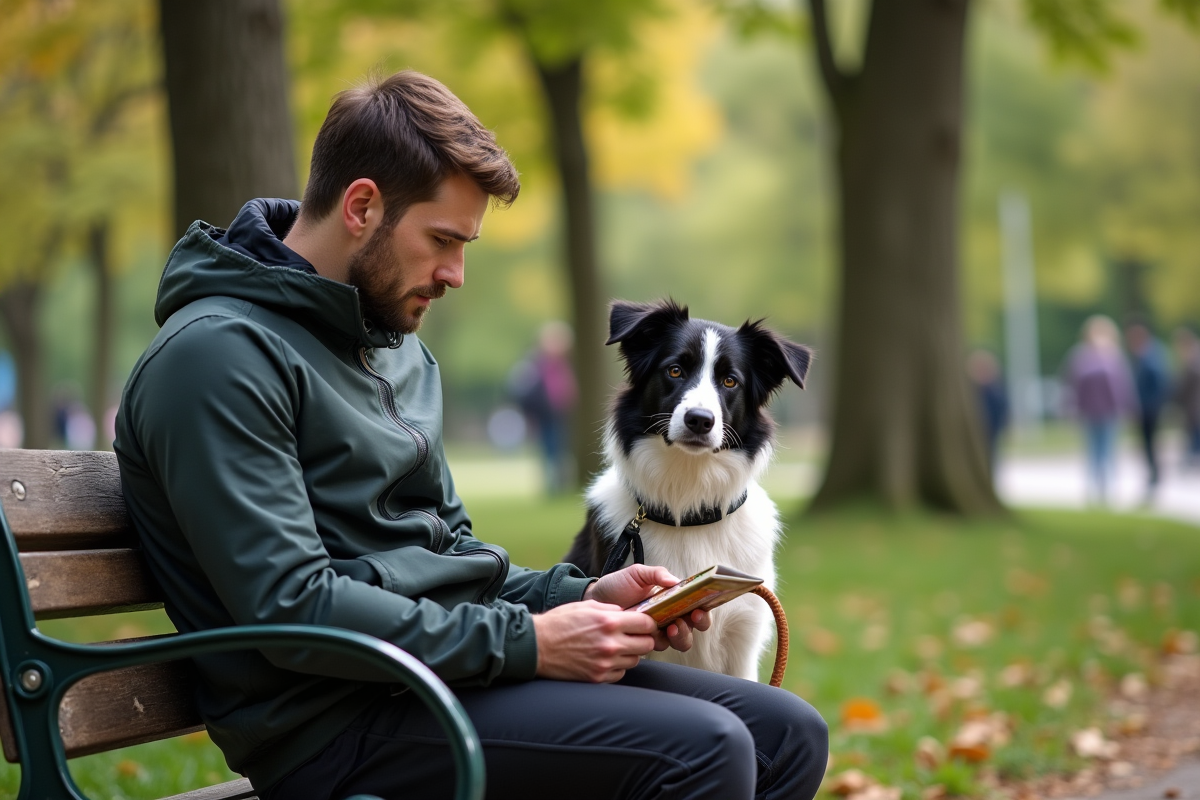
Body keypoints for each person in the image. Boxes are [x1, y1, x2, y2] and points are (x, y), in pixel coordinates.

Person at [114, 70, 827, 800]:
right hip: (333, 723)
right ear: (362, 206)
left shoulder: (393, 348)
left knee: (788, 734)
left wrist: (580, 593)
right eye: (442, 240)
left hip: (442, 677)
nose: (455, 274)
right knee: (704, 751)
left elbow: (457, 558)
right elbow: (292, 608)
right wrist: (530, 643)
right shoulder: (216, 359)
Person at [1064, 315, 1137, 505]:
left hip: (1110, 413)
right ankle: (1093, 491)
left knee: (1108, 451)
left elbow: (1123, 387)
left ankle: (1109, 491)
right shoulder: (1081, 356)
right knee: (1093, 452)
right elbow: (1072, 384)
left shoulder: (1114, 356)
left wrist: (1127, 408)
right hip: (1089, 412)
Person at [509, 320, 578, 493]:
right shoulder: (537, 364)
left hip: (560, 413)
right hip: (545, 414)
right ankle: (553, 485)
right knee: (550, 450)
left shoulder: (561, 364)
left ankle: (558, 483)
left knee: (559, 449)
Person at [1124, 322, 1171, 499]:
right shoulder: (1147, 354)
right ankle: (1152, 475)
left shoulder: (1150, 355)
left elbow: (1159, 382)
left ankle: (1154, 477)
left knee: (1150, 443)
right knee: (1147, 444)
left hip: (1150, 408)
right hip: (1146, 407)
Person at [966, 349, 1007, 477]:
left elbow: (1001, 410)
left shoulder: (994, 390)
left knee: (990, 459)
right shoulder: (970, 390)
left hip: (990, 431)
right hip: (974, 432)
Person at [1174, 327, 1200, 469]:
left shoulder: (1193, 358)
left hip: (1194, 405)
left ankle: (1193, 459)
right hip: (1192, 405)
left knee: (1195, 434)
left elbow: (1184, 384)